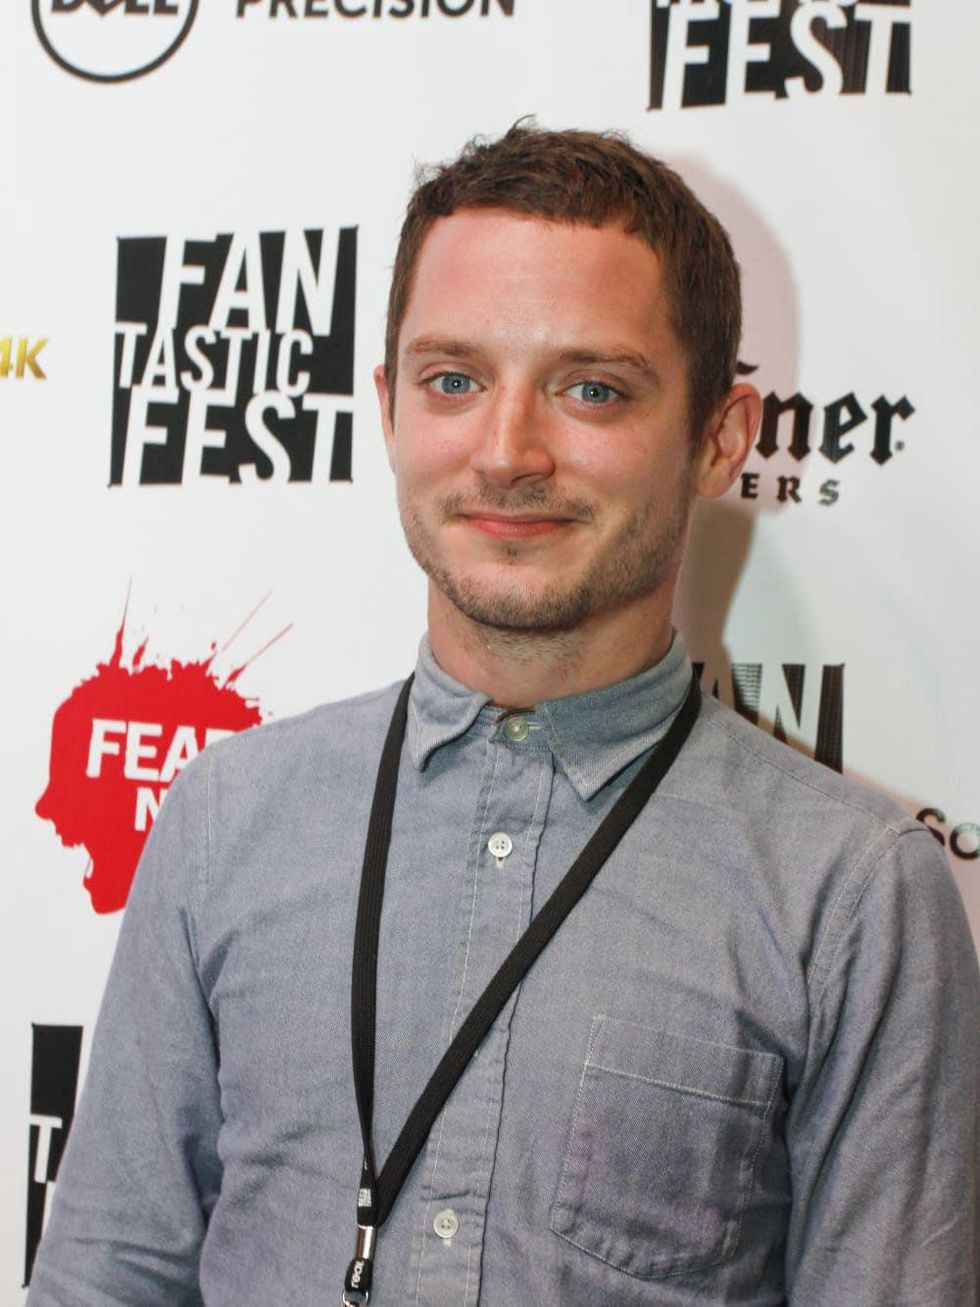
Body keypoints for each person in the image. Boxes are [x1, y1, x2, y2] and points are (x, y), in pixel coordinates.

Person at [28, 124, 979, 1307]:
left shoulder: (851, 891)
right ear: (387, 408)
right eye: (453, 380)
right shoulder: (228, 817)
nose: (506, 450)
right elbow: (107, 1277)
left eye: (591, 389)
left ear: (718, 437)